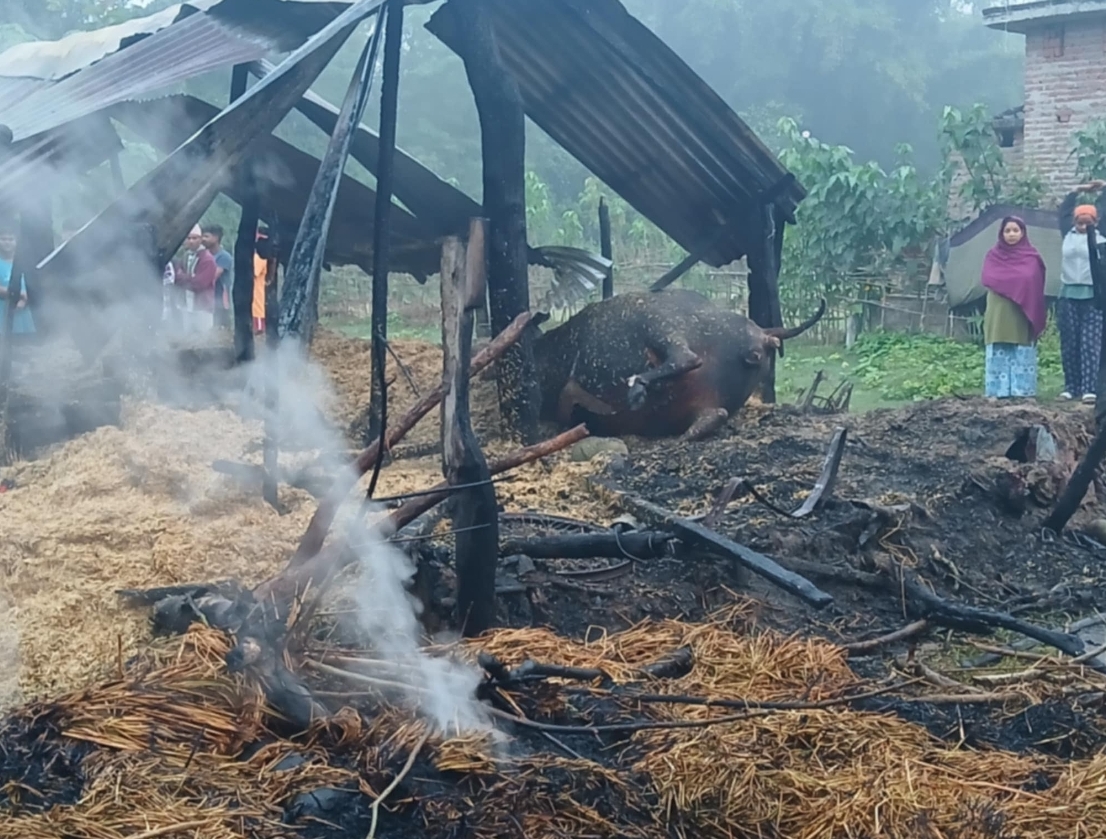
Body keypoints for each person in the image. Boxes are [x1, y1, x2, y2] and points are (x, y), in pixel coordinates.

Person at [981, 216, 1047, 400]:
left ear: (1023, 233)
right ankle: (996, 391)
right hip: (999, 308)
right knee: (998, 344)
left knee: (1021, 346)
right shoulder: (993, 256)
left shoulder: (1032, 258)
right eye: (1007, 231)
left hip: (1023, 308)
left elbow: (1034, 281)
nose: (1011, 234)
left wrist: (1012, 284)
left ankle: (1023, 391)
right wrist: (1014, 284)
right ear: (1001, 234)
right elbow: (988, 277)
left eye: (1015, 230)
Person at [1057, 183, 1106, 403]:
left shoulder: (1101, 237)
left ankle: (1089, 388)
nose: (1083, 226)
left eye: (1088, 222)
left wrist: (1104, 189)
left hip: (1093, 296)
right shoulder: (1067, 234)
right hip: (1068, 294)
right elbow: (1064, 211)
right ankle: (1071, 386)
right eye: (1079, 222)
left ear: (1095, 222)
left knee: (1090, 344)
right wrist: (1077, 191)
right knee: (1070, 343)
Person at [174, 224, 217, 333]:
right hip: (186, 306)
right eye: (189, 238)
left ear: (201, 239)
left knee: (204, 340)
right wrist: (189, 278)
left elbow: (200, 283)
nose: (191, 241)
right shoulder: (185, 256)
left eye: (194, 238)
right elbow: (176, 278)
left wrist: (184, 277)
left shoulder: (207, 259)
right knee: (186, 340)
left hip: (202, 307)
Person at [0, 218, 35, 337]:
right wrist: (17, 294)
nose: (7, 242)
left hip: (23, 313)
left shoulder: (25, 262)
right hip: (3, 312)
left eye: (11, 239)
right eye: (3, 239)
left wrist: (24, 299)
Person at [201, 224, 233, 330]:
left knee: (220, 327)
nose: (203, 239)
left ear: (216, 238)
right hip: (206, 299)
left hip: (220, 299)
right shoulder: (202, 255)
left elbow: (212, 277)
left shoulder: (224, 257)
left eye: (206, 236)